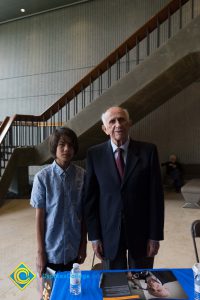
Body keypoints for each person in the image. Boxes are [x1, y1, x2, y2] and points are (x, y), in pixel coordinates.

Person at [84, 106, 164, 270]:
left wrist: (154, 236)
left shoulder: (148, 151)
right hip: (109, 234)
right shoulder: (94, 155)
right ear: (105, 129)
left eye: (121, 120)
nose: (118, 124)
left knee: (142, 285)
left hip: (142, 233)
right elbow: (90, 200)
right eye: (112, 121)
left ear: (129, 124)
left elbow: (156, 198)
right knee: (115, 287)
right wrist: (94, 237)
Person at [30, 127, 87, 277]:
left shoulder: (83, 176)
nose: (66, 149)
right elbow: (39, 218)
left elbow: (84, 214)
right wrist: (40, 252)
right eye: (62, 145)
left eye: (70, 145)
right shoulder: (42, 178)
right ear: (54, 148)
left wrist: (83, 245)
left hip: (73, 250)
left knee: (70, 292)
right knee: (48, 294)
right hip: (50, 252)